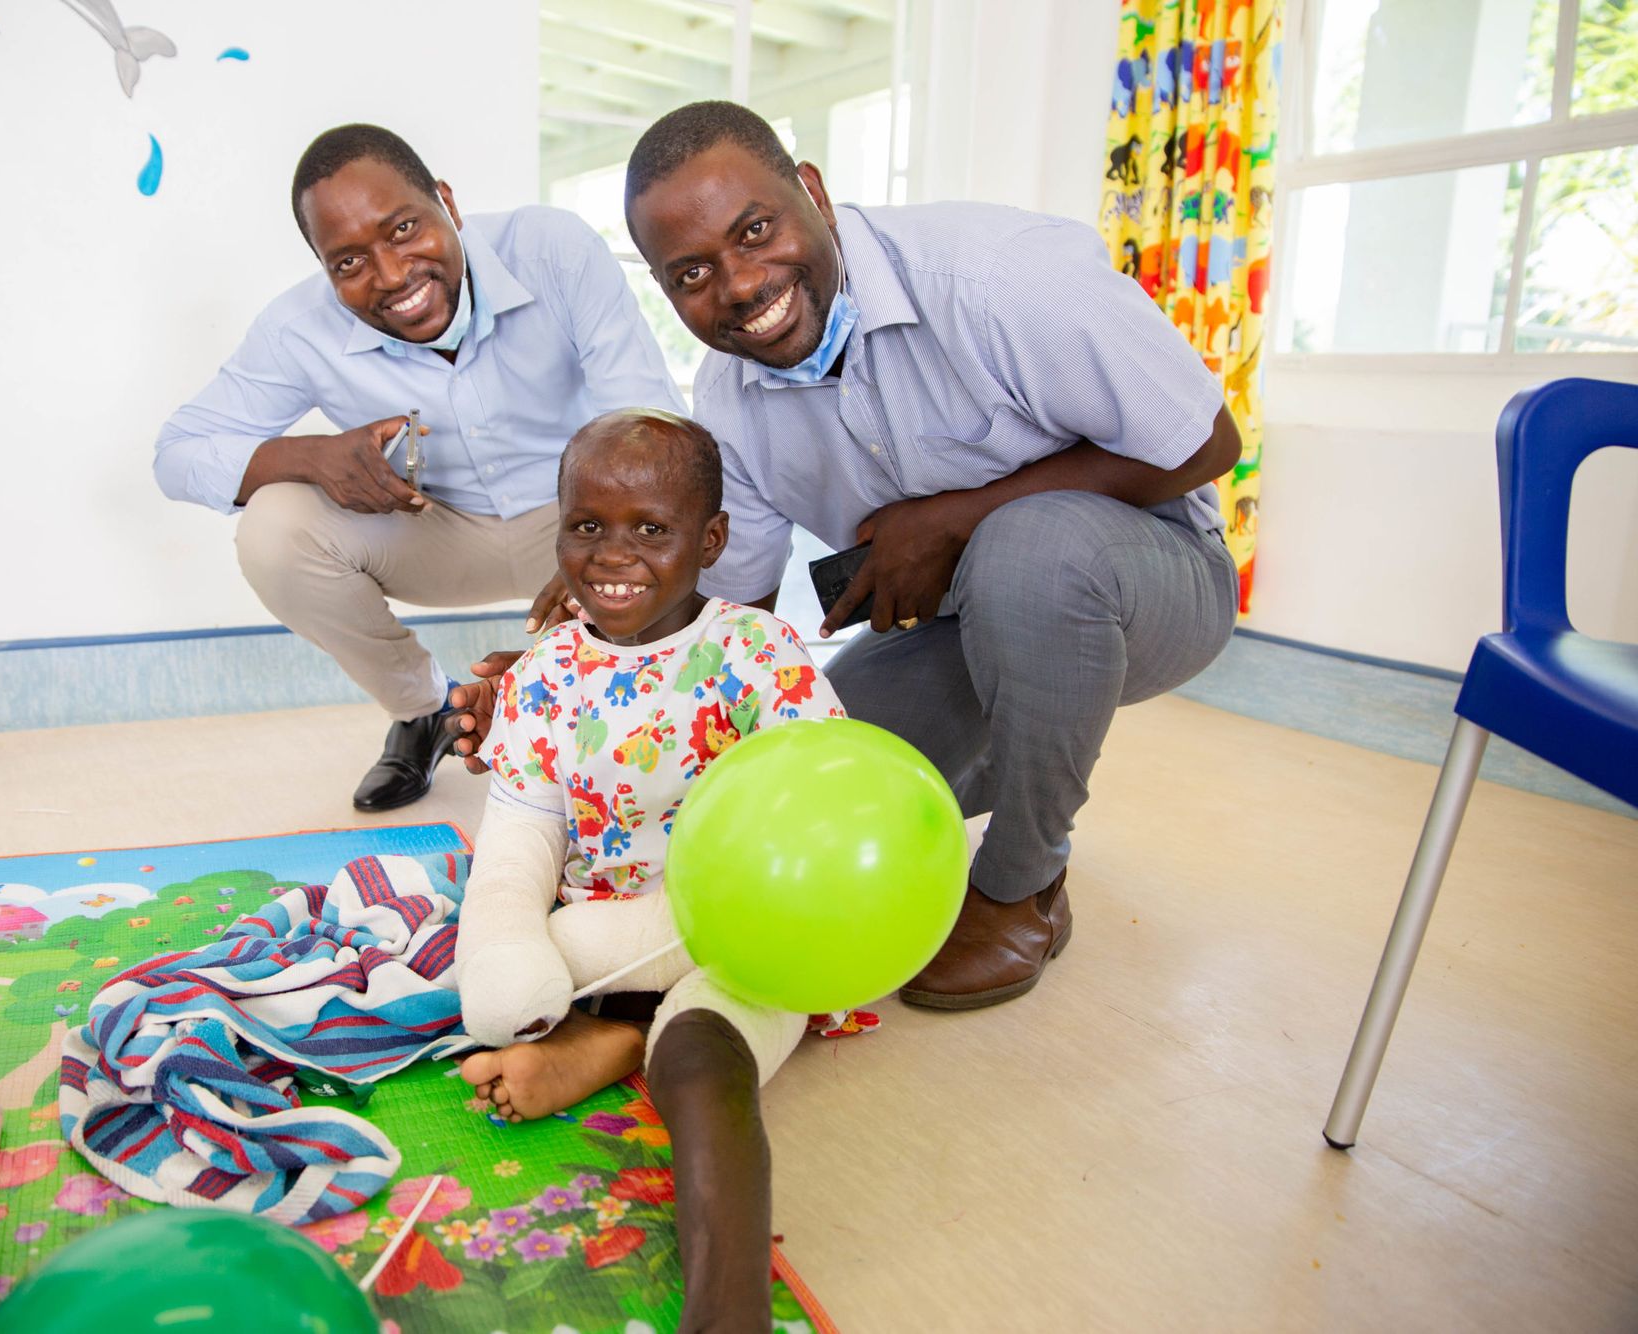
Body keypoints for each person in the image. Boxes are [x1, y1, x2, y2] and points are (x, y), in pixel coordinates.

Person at [453, 101, 1240, 1011]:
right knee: (799, 765)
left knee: (1032, 548)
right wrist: (569, 679)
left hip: (1151, 580)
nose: (741, 284)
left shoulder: (997, 279)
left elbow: (1202, 440)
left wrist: (958, 518)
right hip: (951, 631)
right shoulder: (732, 404)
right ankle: (1027, 738)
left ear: (814, 194)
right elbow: (711, 618)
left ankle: (1023, 881)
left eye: (755, 230)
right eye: (692, 273)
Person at [155, 124, 683, 812]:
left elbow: (649, 426)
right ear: (323, 269)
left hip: (581, 523)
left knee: (675, 518)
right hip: (439, 533)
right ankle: (423, 710)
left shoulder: (551, 249)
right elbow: (179, 453)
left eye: (404, 228)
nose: (392, 275)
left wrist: (598, 571)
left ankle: (598, 695)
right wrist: (312, 456)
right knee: (273, 528)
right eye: (348, 263)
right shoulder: (296, 330)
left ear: (448, 203)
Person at [454, 408, 842, 1332]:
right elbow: (521, 835)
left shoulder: (757, 657)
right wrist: (506, 938)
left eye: (651, 530)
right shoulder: (549, 667)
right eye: (587, 527)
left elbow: (814, 820)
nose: (613, 555)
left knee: (706, 1062)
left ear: (710, 540)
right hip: (605, 926)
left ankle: (728, 1315)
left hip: (744, 931)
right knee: (505, 956)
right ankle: (614, 1034)